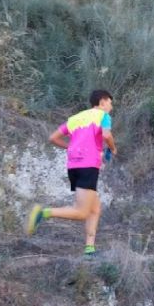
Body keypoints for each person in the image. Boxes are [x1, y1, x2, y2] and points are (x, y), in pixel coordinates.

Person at [26, 89, 117, 257]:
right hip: (88, 166)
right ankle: (44, 212)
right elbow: (106, 135)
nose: (111, 107)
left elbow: (53, 137)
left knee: (95, 209)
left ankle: (89, 249)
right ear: (103, 101)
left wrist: (72, 147)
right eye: (110, 103)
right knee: (82, 212)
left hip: (74, 166)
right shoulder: (103, 116)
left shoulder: (76, 118)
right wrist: (112, 147)